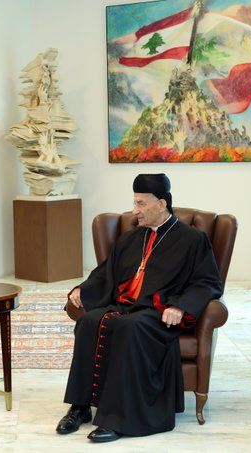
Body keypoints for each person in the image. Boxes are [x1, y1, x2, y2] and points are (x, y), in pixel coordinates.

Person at [56, 173, 222, 443]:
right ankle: (80, 406)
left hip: (158, 313)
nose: (135, 210)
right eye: (134, 203)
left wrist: (180, 306)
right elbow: (105, 273)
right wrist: (82, 290)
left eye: (141, 204)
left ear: (161, 204)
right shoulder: (131, 238)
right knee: (88, 322)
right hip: (124, 307)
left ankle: (118, 418)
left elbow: (208, 282)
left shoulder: (193, 240)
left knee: (129, 327)